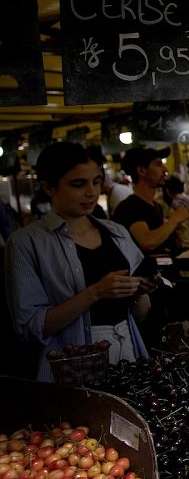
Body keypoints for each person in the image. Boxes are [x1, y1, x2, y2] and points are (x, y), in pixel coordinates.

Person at [7, 142, 156, 381]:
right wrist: (95, 292)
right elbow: (30, 328)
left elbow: (138, 314)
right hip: (73, 366)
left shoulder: (117, 233)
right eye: (78, 184)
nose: (91, 192)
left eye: (96, 182)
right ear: (48, 187)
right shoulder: (25, 243)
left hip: (129, 350)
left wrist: (140, 291)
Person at [112, 146, 189, 255]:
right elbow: (148, 242)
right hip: (142, 272)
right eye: (158, 164)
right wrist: (175, 219)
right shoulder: (129, 207)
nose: (165, 170)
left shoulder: (155, 206)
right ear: (142, 170)